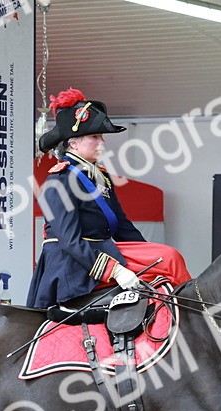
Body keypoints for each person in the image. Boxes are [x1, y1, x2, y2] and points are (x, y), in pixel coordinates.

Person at [26, 88, 191, 308]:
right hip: (73, 263)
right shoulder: (58, 182)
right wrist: (115, 270)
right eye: (95, 136)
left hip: (103, 250)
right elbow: (70, 242)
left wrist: (150, 256)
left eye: (101, 136)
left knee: (167, 258)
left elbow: (122, 226)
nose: (102, 142)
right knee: (170, 258)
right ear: (73, 143)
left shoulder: (99, 176)